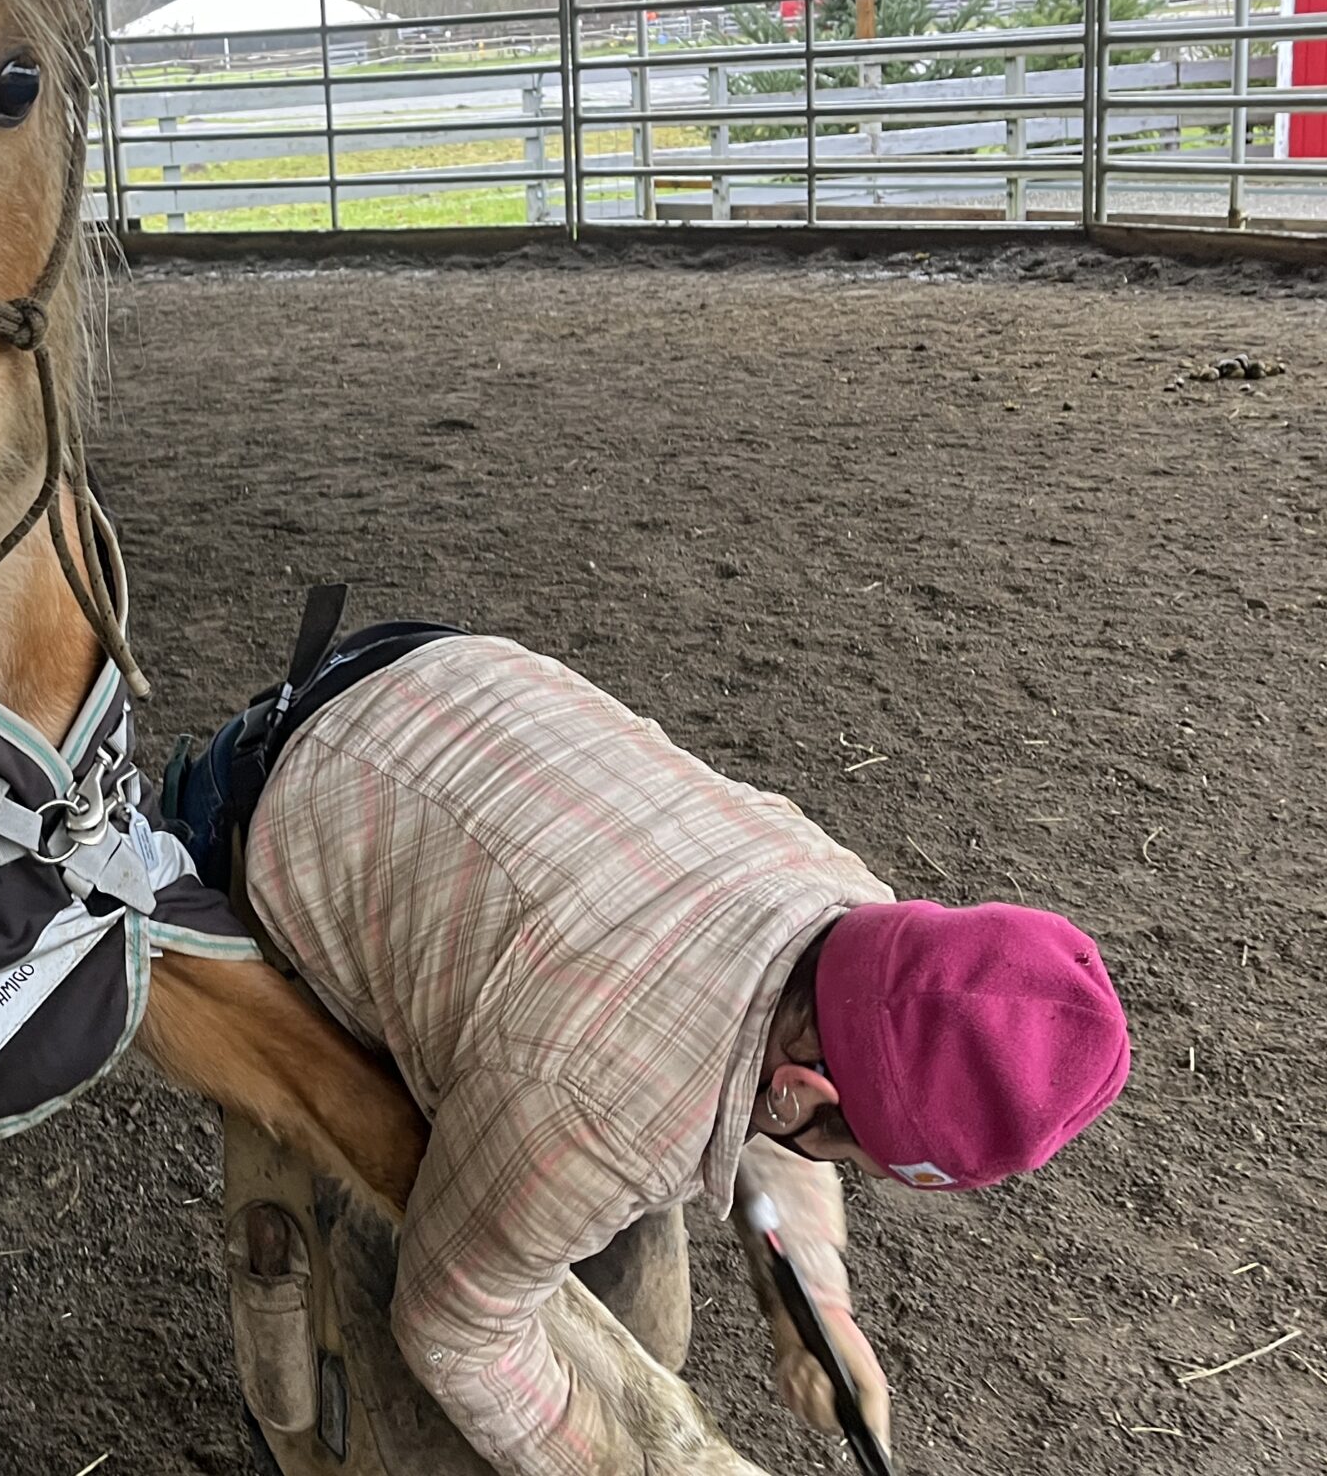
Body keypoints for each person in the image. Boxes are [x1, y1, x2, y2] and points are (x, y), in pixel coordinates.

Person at [164, 603, 1131, 1476]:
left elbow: (783, 1091)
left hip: (464, 718)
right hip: (298, 809)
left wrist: (816, 1308)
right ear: (805, 1097)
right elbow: (455, 1333)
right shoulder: (597, 1101)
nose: (854, 1165)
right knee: (388, 1414)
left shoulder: (867, 926)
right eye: (862, 1154)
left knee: (637, 1311)